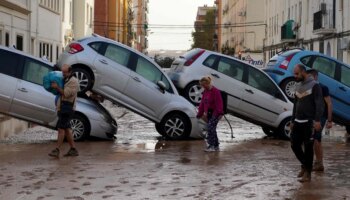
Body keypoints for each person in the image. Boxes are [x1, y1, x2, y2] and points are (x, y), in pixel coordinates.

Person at [290, 64, 324, 182]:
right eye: (294, 74)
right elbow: (295, 105)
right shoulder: (298, 86)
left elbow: (320, 104)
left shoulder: (315, 86)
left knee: (309, 148)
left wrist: (318, 120)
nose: (295, 76)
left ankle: (308, 174)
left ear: (303, 72)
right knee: (294, 145)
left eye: (296, 74)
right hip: (298, 122)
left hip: (309, 122)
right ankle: (305, 165)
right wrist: (292, 120)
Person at [49, 64, 79, 158]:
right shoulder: (65, 79)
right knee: (66, 129)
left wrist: (57, 87)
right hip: (62, 108)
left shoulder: (73, 82)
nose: (63, 74)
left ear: (70, 72)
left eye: (65, 72)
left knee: (61, 129)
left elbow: (66, 94)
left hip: (67, 109)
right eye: (62, 72)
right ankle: (73, 149)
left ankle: (56, 150)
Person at [307, 69, 333, 172]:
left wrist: (330, 120)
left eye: (310, 77)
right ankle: (316, 163)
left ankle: (319, 163)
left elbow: (329, 104)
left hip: (321, 116)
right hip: (311, 116)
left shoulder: (323, 88)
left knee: (316, 139)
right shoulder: (308, 87)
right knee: (312, 140)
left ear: (316, 77)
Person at [196, 76, 224, 152]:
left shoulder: (216, 91)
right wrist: (199, 113)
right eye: (202, 85)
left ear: (208, 83)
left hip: (216, 113)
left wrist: (220, 113)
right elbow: (202, 103)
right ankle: (216, 146)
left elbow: (219, 103)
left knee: (210, 128)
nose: (203, 87)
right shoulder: (205, 91)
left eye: (204, 85)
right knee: (212, 129)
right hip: (209, 113)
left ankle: (211, 146)